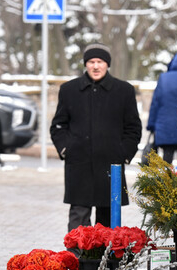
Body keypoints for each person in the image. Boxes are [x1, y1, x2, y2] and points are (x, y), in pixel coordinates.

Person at [50, 43, 142, 231]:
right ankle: (77, 252)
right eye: (91, 62)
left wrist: (123, 154)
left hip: (111, 166)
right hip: (79, 164)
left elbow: (133, 128)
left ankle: (104, 253)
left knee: (107, 224)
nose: (96, 66)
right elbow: (58, 126)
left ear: (107, 64)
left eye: (100, 61)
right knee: (78, 223)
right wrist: (66, 148)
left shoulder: (123, 91)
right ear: (86, 64)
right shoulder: (69, 90)